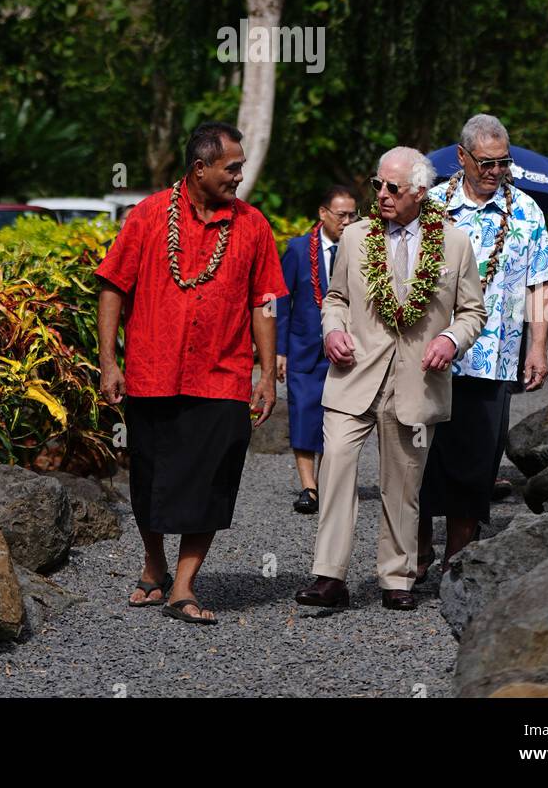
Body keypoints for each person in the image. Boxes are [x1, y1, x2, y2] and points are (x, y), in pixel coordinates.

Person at [96, 121, 287, 627]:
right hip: (152, 370)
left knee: (212, 478)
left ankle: (184, 583)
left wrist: (266, 375)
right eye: (232, 168)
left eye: (241, 168)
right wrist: (109, 362)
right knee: (151, 477)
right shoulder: (148, 215)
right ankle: (154, 562)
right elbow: (113, 286)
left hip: (222, 377)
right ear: (199, 168)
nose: (239, 178)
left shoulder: (252, 225)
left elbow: (264, 303)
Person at [295, 146, 486, 611]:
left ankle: (397, 577)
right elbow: (335, 297)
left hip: (418, 383)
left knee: (402, 484)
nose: (380, 194)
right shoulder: (357, 238)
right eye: (376, 184)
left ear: (419, 192)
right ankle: (329, 576)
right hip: (353, 374)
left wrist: (452, 340)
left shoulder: (454, 242)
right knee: (336, 464)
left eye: (392, 187)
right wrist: (333, 329)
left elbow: (472, 311)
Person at [417, 114, 548, 579]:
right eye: (486, 163)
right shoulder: (431, 206)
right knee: (419, 458)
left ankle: (457, 565)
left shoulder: (527, 212)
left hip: (493, 359)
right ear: (462, 158)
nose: (496, 171)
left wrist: (538, 347)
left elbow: (539, 286)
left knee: (476, 464)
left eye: (504, 162)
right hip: (429, 360)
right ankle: (413, 558)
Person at [276, 185, 359, 514]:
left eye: (353, 215)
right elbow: (282, 302)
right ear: (323, 213)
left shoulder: (362, 247)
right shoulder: (297, 250)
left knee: (335, 417)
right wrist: (279, 351)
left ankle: (328, 481)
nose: (347, 221)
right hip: (304, 346)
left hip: (345, 348)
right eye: (341, 215)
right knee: (303, 413)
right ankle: (308, 488)